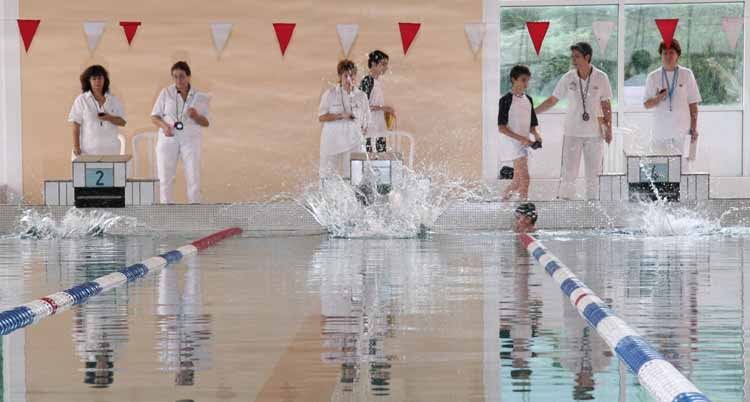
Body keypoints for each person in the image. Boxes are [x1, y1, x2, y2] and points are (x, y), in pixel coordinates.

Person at [536, 42, 613, 200]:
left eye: (577, 57)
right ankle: (566, 202)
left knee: (594, 173)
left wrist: (609, 128)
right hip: (572, 132)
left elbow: (606, 104)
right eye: (573, 57)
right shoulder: (568, 77)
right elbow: (553, 99)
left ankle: (593, 203)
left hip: (594, 134)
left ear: (587, 57)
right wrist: (533, 112)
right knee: (568, 172)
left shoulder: (601, 77)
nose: (573, 60)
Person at [151, 61, 211, 204]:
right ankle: (166, 208)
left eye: (182, 76)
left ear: (189, 76)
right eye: (175, 77)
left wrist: (196, 116)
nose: (179, 80)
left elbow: (206, 122)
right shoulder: (166, 93)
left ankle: (195, 207)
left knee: (193, 175)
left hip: (190, 139)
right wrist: (164, 126)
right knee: (165, 177)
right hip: (168, 137)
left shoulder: (199, 96)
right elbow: (154, 116)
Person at [643, 39, 701, 170]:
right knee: (660, 171)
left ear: (677, 55)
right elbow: (646, 104)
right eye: (665, 53)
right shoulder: (653, 76)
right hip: (660, 132)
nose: (668, 56)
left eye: (671, 53)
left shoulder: (686, 74)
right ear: (661, 55)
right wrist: (658, 98)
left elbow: (693, 104)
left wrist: (693, 128)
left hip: (682, 131)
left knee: (682, 170)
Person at [318, 59, 371, 180]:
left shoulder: (361, 96)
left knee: (355, 177)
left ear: (355, 76)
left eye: (351, 75)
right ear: (340, 76)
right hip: (332, 141)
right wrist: (341, 116)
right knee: (327, 177)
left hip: (353, 142)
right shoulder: (330, 94)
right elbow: (321, 117)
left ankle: (354, 192)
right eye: (345, 75)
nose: (348, 79)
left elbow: (367, 118)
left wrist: (363, 130)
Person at [498, 65, 542, 201]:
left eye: (527, 80)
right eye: (523, 80)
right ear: (513, 79)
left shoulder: (528, 99)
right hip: (512, 143)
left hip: (524, 144)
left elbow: (532, 124)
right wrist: (521, 138)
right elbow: (501, 128)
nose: (526, 84)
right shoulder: (506, 100)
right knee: (525, 179)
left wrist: (536, 134)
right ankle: (524, 208)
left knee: (517, 182)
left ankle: (502, 203)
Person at [68, 65, 127, 158]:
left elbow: (123, 122)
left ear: (104, 80)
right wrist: (76, 147)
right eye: (94, 79)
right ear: (88, 81)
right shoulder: (81, 100)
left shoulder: (113, 100)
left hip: (111, 153)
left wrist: (109, 118)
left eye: (100, 78)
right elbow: (76, 125)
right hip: (87, 153)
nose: (97, 81)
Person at [360, 50, 395, 153]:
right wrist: (383, 108)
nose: (386, 67)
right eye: (383, 64)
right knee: (372, 160)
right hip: (370, 132)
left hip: (379, 130)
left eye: (386, 64)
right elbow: (361, 106)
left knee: (382, 159)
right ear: (373, 64)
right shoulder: (367, 81)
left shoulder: (377, 82)